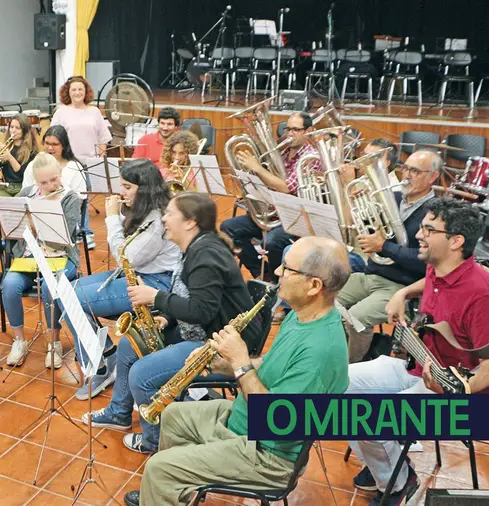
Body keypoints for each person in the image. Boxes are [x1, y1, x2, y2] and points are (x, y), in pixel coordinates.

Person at [123, 236, 352, 506]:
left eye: (287, 269)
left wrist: (241, 360)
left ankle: (164, 484)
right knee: (172, 415)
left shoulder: (320, 352)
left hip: (268, 456)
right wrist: (226, 363)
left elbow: (278, 422)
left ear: (314, 286)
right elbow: (271, 367)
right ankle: (167, 495)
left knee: (159, 468)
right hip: (245, 421)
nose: (277, 272)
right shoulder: (300, 314)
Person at [347, 198, 489, 506]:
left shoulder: (483, 295)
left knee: (365, 419)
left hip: (455, 395)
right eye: (421, 227)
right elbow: (431, 281)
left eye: (428, 229)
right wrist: (403, 291)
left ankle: (396, 484)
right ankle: (388, 466)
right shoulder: (440, 266)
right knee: (337, 381)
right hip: (419, 368)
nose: (418, 235)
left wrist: (458, 387)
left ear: (456, 241)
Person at [81, 192, 263, 455]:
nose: (163, 219)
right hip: (203, 329)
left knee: (142, 374)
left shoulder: (206, 256)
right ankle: (119, 413)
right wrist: (166, 317)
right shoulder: (196, 247)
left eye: (169, 214)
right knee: (129, 347)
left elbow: (201, 310)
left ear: (190, 222)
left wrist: (156, 297)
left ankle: (155, 442)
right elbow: (195, 298)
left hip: (217, 344)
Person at [67, 159, 179, 399]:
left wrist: (111, 218)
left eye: (128, 187)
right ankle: (107, 356)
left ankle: (100, 367)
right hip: (138, 275)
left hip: (154, 282)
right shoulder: (144, 209)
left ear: (145, 188)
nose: (121, 192)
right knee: (68, 292)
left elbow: (126, 258)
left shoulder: (157, 218)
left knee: (74, 300)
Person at [337, 150, 440, 362]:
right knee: (323, 299)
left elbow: (427, 260)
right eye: (405, 168)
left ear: (433, 177)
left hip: (401, 286)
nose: (407, 175)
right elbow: (364, 230)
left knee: (356, 318)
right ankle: (330, 356)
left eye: (415, 171)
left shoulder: (437, 212)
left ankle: (349, 369)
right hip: (370, 275)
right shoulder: (391, 197)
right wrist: (359, 206)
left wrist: (383, 245)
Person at [2, 153, 81, 367]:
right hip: (29, 256)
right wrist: (5, 219)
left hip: (62, 257)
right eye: (44, 182)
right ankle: (20, 340)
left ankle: (53, 343)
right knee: (8, 285)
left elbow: (63, 240)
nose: (50, 185)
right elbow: (14, 228)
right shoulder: (28, 193)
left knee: (49, 287)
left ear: (60, 174)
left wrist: (34, 223)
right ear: (36, 181)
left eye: (54, 179)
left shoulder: (71, 198)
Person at [220, 112, 320, 281]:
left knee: (274, 241)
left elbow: (287, 187)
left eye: (296, 130)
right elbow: (268, 180)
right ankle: (262, 274)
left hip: (294, 218)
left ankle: (278, 280)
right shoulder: (282, 151)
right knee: (228, 228)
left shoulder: (310, 157)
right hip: (273, 212)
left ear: (308, 131)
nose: (290, 134)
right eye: (288, 129)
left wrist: (258, 168)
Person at [51, 76, 112, 250]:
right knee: (73, 197)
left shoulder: (94, 112)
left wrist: (99, 158)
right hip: (68, 162)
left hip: (89, 162)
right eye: (74, 90)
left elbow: (103, 138)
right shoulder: (61, 112)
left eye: (80, 89)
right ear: (68, 92)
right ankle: (81, 231)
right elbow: (54, 136)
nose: (77, 93)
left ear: (86, 92)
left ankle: (83, 231)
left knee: (84, 199)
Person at [25, 125, 86, 198]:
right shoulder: (33, 165)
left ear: (63, 146)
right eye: (47, 143)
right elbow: (26, 193)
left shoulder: (74, 168)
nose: (50, 148)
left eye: (55, 144)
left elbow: (79, 199)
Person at [0, 113, 41, 197]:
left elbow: (23, 175)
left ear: (25, 131)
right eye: (11, 127)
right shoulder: (7, 148)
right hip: (7, 187)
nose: (13, 130)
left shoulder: (32, 152)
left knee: (16, 203)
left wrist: (10, 158)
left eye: (17, 128)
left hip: (23, 187)